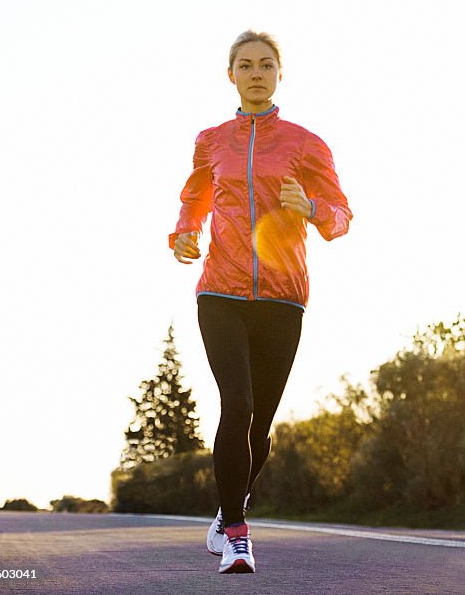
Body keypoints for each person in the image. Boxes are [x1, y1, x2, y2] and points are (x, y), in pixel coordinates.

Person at [170, 30, 352, 574]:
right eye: (245, 65)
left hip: (282, 299)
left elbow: (341, 217)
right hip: (220, 292)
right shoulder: (211, 141)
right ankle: (238, 537)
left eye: (265, 64)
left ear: (279, 73)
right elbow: (194, 198)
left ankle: (229, 509)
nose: (255, 72)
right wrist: (183, 233)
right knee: (238, 404)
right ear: (231, 75)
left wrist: (312, 206)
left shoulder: (306, 144)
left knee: (260, 429)